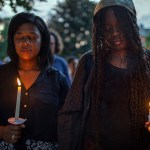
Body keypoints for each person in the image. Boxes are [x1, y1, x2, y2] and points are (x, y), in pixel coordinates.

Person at [58, 0, 150, 149]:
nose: (114, 33)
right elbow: (71, 111)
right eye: (107, 29)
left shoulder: (147, 62)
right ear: (99, 31)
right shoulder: (89, 62)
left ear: (131, 24)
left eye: (120, 26)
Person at [0, 12, 69, 150]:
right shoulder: (1, 75)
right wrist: (2, 131)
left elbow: (68, 123)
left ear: (43, 40)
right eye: (20, 37)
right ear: (12, 40)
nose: (26, 42)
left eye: (32, 37)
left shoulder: (58, 80)